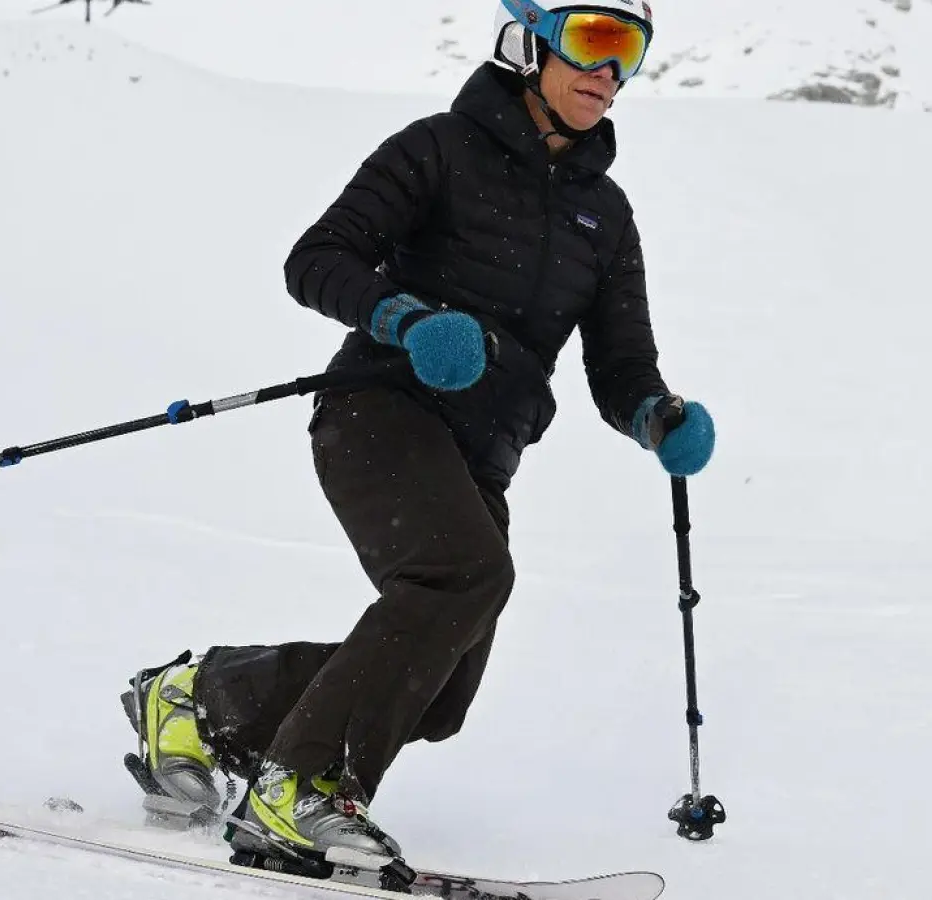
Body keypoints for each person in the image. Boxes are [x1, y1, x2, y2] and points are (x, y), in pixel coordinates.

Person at [120, 0, 716, 873]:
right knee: (460, 575)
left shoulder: (606, 213)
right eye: (591, 38)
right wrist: (405, 318)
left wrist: (655, 415)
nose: (609, 70)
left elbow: (619, 364)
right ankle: (301, 788)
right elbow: (317, 258)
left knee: (437, 695)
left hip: (484, 451)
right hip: (378, 412)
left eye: (630, 47)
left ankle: (199, 698)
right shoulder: (436, 148)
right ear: (528, 43)